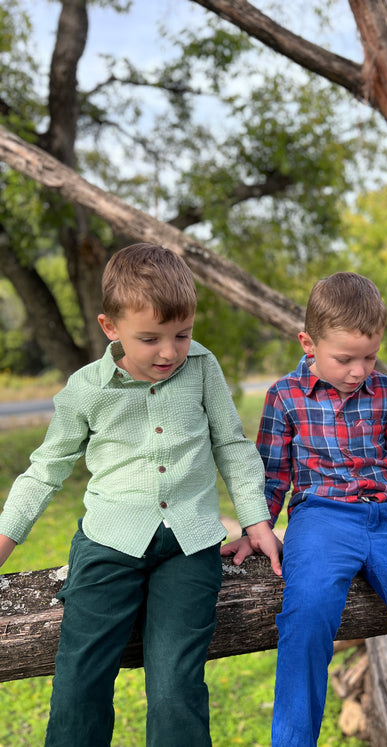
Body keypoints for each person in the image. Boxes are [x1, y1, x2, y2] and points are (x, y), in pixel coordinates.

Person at [0, 243, 281, 747]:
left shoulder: (202, 367)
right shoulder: (85, 389)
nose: (170, 352)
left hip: (189, 547)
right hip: (108, 544)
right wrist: (5, 540)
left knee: (176, 686)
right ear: (111, 328)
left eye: (182, 334)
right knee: (79, 681)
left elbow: (231, 445)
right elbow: (45, 470)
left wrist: (256, 520)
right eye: (150, 339)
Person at [222, 271, 387, 746]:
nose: (359, 370)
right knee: (308, 614)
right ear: (308, 343)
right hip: (321, 518)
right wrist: (253, 526)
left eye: (369, 356)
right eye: (345, 358)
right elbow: (273, 474)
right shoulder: (284, 396)